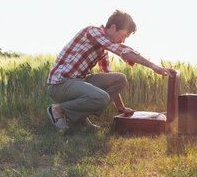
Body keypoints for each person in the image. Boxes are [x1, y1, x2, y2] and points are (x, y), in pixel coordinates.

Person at [46, 10, 174, 129]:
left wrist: (121, 107)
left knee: (119, 79)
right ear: (113, 27)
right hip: (60, 85)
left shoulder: (102, 49)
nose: (123, 40)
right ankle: (58, 110)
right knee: (102, 98)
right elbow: (121, 50)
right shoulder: (92, 31)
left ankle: (79, 117)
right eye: (123, 35)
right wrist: (154, 67)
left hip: (77, 83)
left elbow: (107, 74)